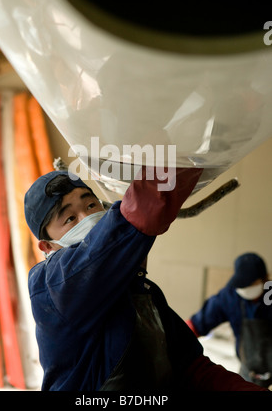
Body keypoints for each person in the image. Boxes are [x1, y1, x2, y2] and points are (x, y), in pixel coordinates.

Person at [24, 167, 267, 391]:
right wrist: (178, 159)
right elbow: (114, 240)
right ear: (47, 246)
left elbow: (191, 368)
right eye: (69, 219)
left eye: (90, 205)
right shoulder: (52, 285)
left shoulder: (145, 294)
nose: (86, 219)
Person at [187, 252, 272, 388]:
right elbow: (195, 325)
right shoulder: (230, 296)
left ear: (265, 279)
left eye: (252, 284)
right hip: (249, 373)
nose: (246, 289)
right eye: (243, 285)